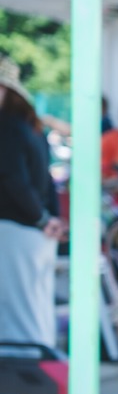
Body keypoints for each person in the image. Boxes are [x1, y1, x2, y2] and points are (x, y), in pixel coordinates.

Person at [0, 56, 65, 346]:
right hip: (37, 231)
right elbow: (46, 179)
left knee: (17, 317)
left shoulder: (6, 127)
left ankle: (30, 367)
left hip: (17, 228)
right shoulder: (32, 126)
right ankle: (42, 361)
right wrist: (50, 218)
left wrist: (42, 218)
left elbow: (12, 178)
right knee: (34, 308)